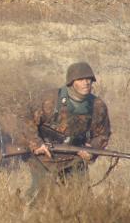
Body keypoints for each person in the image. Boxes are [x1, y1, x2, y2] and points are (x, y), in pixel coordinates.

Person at [19, 61, 111, 202]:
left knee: (81, 200)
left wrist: (92, 150)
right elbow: (26, 120)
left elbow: (103, 134)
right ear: (71, 82)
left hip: (74, 156)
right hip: (44, 155)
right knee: (42, 193)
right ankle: (24, 215)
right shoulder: (49, 99)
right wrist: (37, 144)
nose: (86, 83)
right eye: (81, 79)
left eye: (89, 79)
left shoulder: (98, 106)